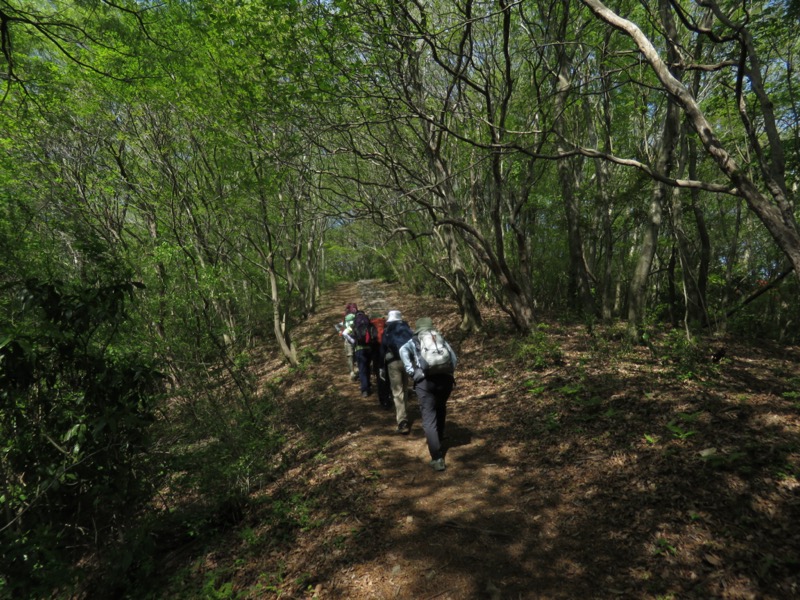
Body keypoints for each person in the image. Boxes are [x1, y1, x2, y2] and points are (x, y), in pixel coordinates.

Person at [399, 316, 457, 471]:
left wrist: (414, 373)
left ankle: (437, 458)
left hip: (425, 383)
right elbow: (454, 359)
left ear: (417, 329)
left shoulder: (413, 341)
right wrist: (447, 372)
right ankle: (440, 435)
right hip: (445, 381)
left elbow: (402, 351)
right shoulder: (439, 338)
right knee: (441, 407)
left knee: (428, 417)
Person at [381, 310, 414, 434]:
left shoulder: (388, 330)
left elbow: (383, 348)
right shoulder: (407, 328)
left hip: (393, 363)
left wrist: (380, 366)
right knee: (405, 388)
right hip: (407, 362)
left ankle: (402, 421)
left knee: (397, 391)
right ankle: (404, 413)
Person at [342, 309, 373, 397]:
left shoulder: (354, 324)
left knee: (362, 369)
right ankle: (368, 384)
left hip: (359, 349)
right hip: (369, 348)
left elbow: (344, 333)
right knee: (367, 367)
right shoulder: (368, 323)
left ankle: (365, 390)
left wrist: (353, 342)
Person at [370, 314, 393, 410]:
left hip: (377, 356)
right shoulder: (386, 326)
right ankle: (389, 396)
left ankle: (383, 400)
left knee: (380, 378)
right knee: (388, 376)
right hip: (387, 355)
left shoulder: (371, 326)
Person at [335, 303, 359, 380]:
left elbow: (337, 325)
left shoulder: (346, 319)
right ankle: (358, 370)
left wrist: (340, 332)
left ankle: (352, 372)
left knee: (350, 356)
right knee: (356, 354)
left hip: (347, 340)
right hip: (356, 339)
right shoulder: (356, 317)